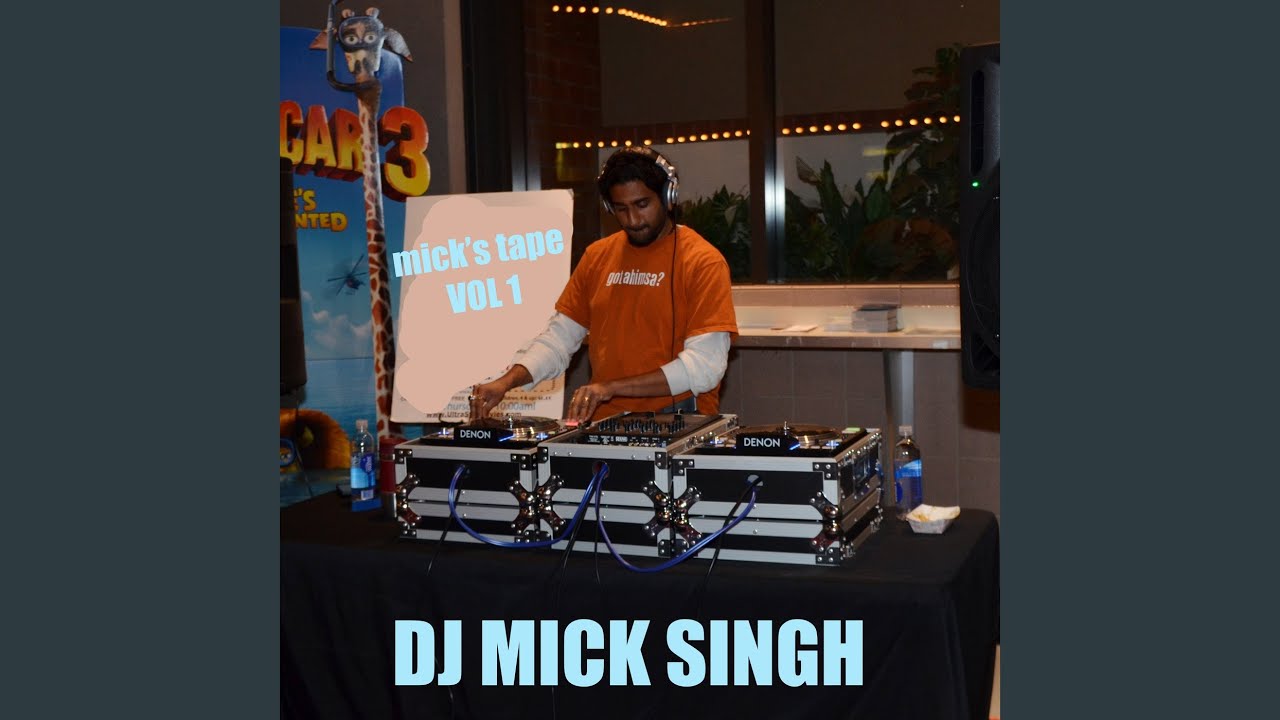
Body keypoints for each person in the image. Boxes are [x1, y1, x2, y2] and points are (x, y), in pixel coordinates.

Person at [468, 146, 737, 423]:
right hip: (605, 421)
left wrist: (610, 388)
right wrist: (507, 381)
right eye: (621, 209)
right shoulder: (597, 256)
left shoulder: (703, 262)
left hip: (680, 421)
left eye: (642, 205)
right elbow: (558, 340)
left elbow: (704, 368)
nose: (633, 220)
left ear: (669, 197)